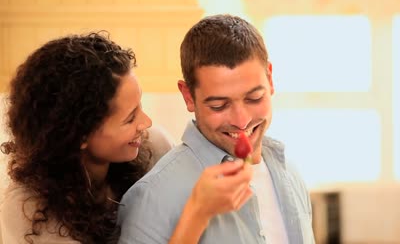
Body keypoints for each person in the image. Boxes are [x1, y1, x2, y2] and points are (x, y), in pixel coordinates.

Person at [0, 32, 253, 243]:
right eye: (130, 118)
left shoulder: (153, 145)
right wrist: (197, 212)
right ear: (79, 134)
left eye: (140, 106)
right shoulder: (29, 213)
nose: (146, 123)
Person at [118, 14, 315, 243]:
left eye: (254, 98)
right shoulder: (153, 197)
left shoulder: (289, 174)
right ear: (188, 96)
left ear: (270, 80)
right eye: (219, 105)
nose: (241, 122)